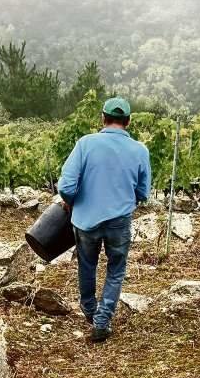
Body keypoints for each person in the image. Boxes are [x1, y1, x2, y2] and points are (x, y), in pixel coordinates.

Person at [57, 97, 152, 342]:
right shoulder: (140, 150)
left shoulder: (85, 144)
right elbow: (143, 193)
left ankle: (90, 310)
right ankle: (102, 321)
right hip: (119, 220)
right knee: (116, 270)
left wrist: (71, 201)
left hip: (85, 219)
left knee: (87, 265)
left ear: (102, 118)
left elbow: (66, 185)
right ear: (128, 121)